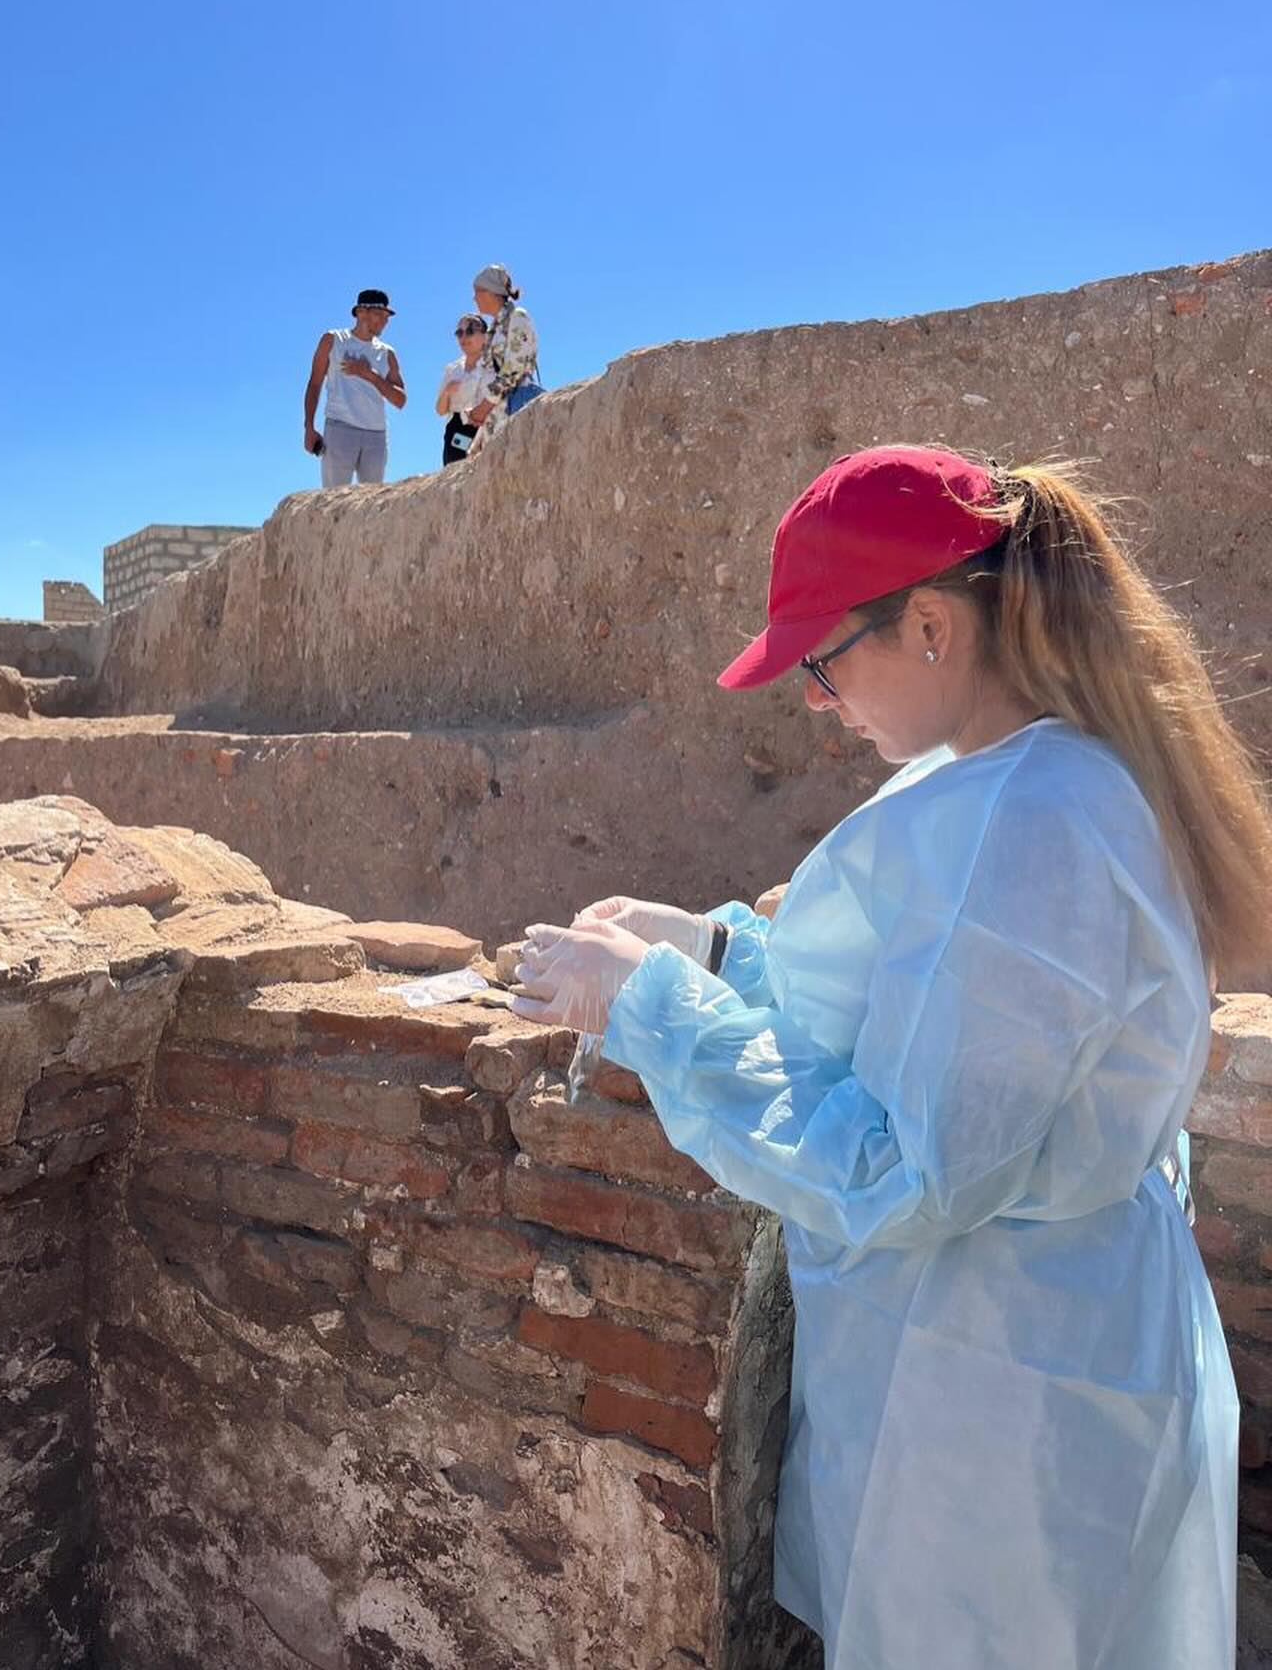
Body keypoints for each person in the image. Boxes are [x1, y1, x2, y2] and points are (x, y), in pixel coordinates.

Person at [511, 445, 1272, 1669]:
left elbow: (907, 1165)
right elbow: (936, 1015)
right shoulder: (1040, 780)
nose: (815, 698)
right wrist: (715, 948)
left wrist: (650, 1006)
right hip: (1032, 1354)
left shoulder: (1033, 820)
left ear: (929, 624)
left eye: (824, 660)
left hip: (1011, 1406)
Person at [302, 289, 406, 488]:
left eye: (387, 317)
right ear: (360, 312)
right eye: (379, 314)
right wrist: (309, 427)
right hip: (340, 428)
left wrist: (368, 374)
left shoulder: (387, 353)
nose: (384, 321)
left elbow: (400, 400)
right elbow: (314, 384)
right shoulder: (333, 340)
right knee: (332, 501)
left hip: (376, 435)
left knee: (371, 504)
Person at [464, 264, 541, 452]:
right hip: (496, 424)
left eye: (477, 292)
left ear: (491, 292)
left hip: (516, 416)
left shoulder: (517, 317)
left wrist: (483, 408)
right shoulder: (495, 329)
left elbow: (513, 369)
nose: (474, 298)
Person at [434, 314, 490, 464]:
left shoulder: (493, 367)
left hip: (487, 427)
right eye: (459, 333)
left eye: (470, 331)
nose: (464, 337)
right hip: (458, 429)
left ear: (485, 336)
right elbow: (440, 410)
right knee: (454, 479)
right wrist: (447, 392)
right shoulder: (452, 370)